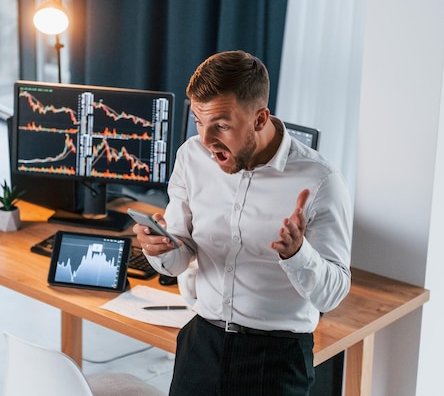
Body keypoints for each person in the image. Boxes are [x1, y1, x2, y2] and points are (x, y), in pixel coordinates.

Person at [132, 50, 352, 396]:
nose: (205, 140)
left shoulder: (321, 181)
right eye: (198, 123)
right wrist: (161, 248)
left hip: (276, 359)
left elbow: (333, 294)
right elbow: (178, 260)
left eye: (221, 125)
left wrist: (297, 254)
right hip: (201, 342)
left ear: (260, 119)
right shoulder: (191, 158)